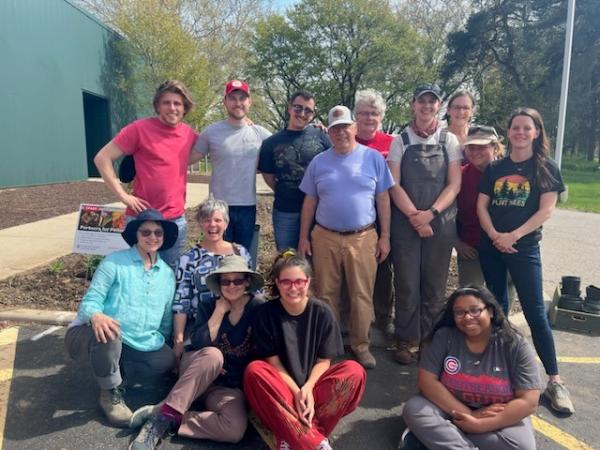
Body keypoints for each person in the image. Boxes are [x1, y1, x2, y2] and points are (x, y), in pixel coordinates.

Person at [477, 107, 574, 414]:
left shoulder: (545, 167)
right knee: (497, 309)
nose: (520, 132)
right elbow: (482, 205)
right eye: (515, 127)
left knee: (535, 313)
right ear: (509, 132)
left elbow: (546, 210)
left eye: (526, 128)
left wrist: (513, 235)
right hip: (492, 247)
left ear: (536, 132)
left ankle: (554, 380)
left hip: (524, 248)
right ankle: (499, 370)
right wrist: (494, 235)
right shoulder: (495, 168)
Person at [128, 255, 264, 450]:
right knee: (213, 355)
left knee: (234, 430)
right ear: (219, 283)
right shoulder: (208, 304)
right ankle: (156, 426)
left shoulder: (258, 308)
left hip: (225, 386)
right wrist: (219, 311)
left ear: (247, 282)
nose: (232, 286)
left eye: (238, 280)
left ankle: (166, 413)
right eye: (225, 281)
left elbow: (262, 350)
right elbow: (201, 342)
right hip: (197, 369)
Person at [298, 105, 394, 369]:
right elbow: (309, 200)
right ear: (329, 132)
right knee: (326, 293)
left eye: (345, 127)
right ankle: (328, 346)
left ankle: (360, 345)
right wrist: (303, 238)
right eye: (335, 128)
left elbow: (383, 198)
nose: (341, 133)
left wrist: (385, 236)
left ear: (354, 128)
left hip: (363, 237)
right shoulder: (319, 162)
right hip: (325, 236)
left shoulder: (373, 158)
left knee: (361, 294)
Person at [65, 209, 178, 427]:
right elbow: (90, 301)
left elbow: (165, 319)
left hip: (136, 339)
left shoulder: (167, 274)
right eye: (146, 232)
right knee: (110, 332)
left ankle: (118, 373)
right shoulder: (114, 262)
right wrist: (96, 315)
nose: (152, 237)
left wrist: (168, 345)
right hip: (92, 332)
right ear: (136, 234)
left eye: (158, 233)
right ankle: (109, 393)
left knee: (165, 360)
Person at [244, 251, 366, 450]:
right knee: (255, 370)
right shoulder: (265, 313)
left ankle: (291, 437)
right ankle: (314, 442)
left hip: (314, 391)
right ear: (277, 282)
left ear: (308, 282)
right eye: (286, 282)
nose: (293, 288)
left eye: (299, 282)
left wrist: (307, 388)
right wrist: (297, 392)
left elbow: (323, 361)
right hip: (281, 391)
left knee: (354, 370)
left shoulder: (322, 312)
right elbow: (272, 364)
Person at [401, 286, 542, 450]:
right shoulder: (444, 336)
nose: (467, 317)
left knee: (522, 447)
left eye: (475, 310)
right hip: (449, 408)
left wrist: (480, 425)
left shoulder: (514, 343)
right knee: (414, 409)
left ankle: (431, 439)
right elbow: (426, 381)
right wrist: (470, 415)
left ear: (490, 311)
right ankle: (443, 439)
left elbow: (529, 401)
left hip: (496, 415)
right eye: (459, 312)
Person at [387, 84, 462, 364]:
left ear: (439, 105)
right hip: (406, 223)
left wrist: (430, 213)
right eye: (422, 101)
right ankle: (405, 340)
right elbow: (393, 184)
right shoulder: (401, 141)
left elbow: (454, 184)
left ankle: (430, 341)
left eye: (432, 102)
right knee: (407, 283)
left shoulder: (449, 140)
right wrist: (414, 217)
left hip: (440, 222)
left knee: (435, 285)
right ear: (413, 104)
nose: (426, 106)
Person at [94, 80, 198, 268]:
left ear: (185, 108)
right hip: (140, 219)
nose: (172, 108)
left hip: (174, 221)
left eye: (178, 103)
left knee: (171, 277)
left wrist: (242, 122)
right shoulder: (139, 129)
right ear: (157, 105)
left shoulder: (189, 134)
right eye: (166, 102)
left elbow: (215, 143)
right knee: (137, 275)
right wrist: (123, 196)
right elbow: (102, 158)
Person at [191, 80, 271, 252]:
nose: (238, 103)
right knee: (218, 257)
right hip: (218, 208)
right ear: (225, 102)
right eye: (233, 98)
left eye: (242, 98)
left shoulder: (260, 133)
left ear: (250, 102)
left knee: (242, 257)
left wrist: (319, 132)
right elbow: (187, 158)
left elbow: (286, 146)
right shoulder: (211, 132)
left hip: (247, 206)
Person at [171, 196, 252, 365]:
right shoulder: (189, 259)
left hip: (237, 322)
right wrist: (178, 339)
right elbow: (181, 301)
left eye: (217, 220)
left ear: (226, 224)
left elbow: (253, 291)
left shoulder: (241, 253)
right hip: (200, 325)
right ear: (200, 224)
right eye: (207, 220)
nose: (212, 225)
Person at [258, 90, 330, 251]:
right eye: (298, 108)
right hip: (286, 211)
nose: (302, 114)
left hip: (319, 212)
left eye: (308, 110)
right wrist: (285, 190)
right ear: (289, 108)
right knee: (287, 259)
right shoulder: (271, 143)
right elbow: (268, 175)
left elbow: (334, 163)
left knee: (318, 262)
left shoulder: (321, 136)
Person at [354, 89, 395, 337]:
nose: (369, 118)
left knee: (382, 266)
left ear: (381, 116)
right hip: (357, 215)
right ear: (355, 116)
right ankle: (353, 319)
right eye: (364, 113)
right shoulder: (345, 139)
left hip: (385, 213)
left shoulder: (392, 143)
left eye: (374, 113)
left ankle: (383, 316)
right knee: (353, 268)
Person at [456, 126, 505, 287]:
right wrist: (456, 242)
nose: (475, 151)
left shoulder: (509, 174)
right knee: (471, 294)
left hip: (503, 246)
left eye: (482, 147)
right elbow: (447, 213)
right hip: (472, 247)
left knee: (500, 298)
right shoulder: (460, 175)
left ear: (495, 147)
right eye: (471, 147)